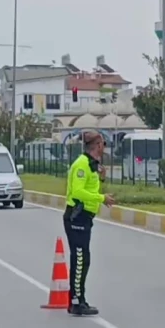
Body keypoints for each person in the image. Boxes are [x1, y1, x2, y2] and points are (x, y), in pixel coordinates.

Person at [64, 130, 115, 316]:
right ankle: (76, 302)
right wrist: (102, 198)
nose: (104, 149)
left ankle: (79, 299)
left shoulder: (92, 165)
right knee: (79, 260)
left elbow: (90, 188)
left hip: (85, 217)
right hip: (76, 216)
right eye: (103, 145)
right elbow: (77, 192)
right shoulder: (82, 165)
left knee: (84, 259)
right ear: (98, 145)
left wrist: (101, 178)